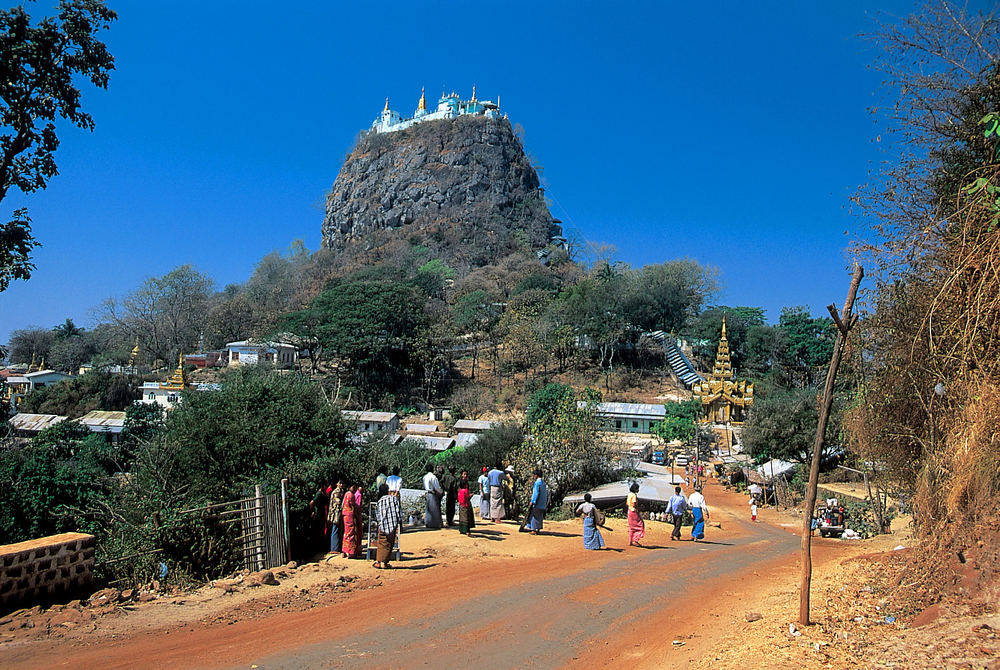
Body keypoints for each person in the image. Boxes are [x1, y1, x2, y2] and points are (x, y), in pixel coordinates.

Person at [373, 483, 401, 569]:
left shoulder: (379, 501)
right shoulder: (394, 499)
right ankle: (385, 563)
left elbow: (377, 515)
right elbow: (398, 511)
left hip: (382, 525)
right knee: (389, 543)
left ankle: (378, 562)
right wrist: (399, 520)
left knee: (381, 543)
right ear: (388, 491)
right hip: (392, 524)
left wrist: (380, 523)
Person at [341, 484, 361, 558]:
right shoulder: (351, 495)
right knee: (351, 532)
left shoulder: (346, 493)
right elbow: (353, 506)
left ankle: (344, 550)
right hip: (350, 516)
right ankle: (351, 552)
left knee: (346, 533)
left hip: (345, 515)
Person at [526, 469, 548, 534]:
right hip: (543, 503)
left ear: (536, 475)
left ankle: (533, 530)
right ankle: (538, 529)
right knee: (539, 516)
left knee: (534, 515)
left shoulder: (537, 483)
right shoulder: (543, 483)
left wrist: (532, 501)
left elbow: (536, 493)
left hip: (537, 503)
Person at [423, 464, 444, 528]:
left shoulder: (424, 477)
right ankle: (435, 524)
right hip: (433, 493)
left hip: (428, 493)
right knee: (434, 509)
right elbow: (437, 487)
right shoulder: (433, 477)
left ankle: (428, 523)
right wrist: (441, 492)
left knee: (428, 510)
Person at [327, 480, 345, 554]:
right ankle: (334, 548)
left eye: (342, 483)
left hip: (339, 513)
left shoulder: (341, 491)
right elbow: (338, 503)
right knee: (335, 529)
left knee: (338, 529)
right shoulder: (336, 492)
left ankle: (337, 547)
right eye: (340, 483)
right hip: (335, 513)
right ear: (337, 484)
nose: (341, 484)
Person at [626, 482, 645, 547]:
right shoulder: (634, 495)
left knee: (632, 527)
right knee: (640, 525)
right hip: (634, 511)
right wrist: (639, 508)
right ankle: (635, 539)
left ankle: (630, 541)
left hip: (629, 511)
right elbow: (634, 504)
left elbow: (627, 503)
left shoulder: (629, 494)